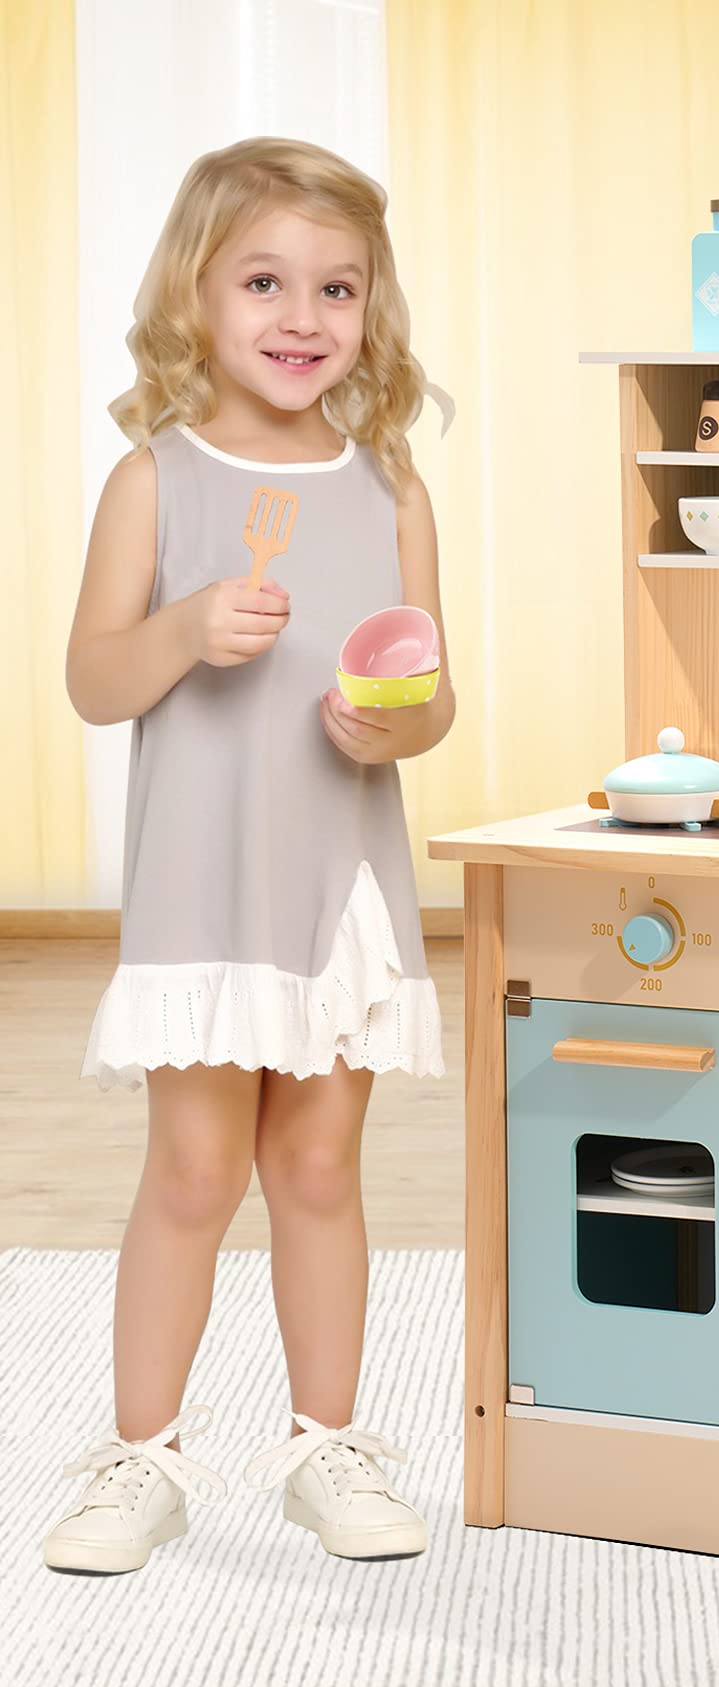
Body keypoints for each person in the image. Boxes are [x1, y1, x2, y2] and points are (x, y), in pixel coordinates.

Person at [46, 136, 453, 1573]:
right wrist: (184, 631)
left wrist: (381, 727)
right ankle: (139, 1456)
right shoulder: (155, 481)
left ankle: (324, 1447)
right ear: (196, 296)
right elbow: (96, 681)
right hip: (204, 893)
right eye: (267, 281)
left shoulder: (390, 490)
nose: (303, 316)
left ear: (371, 310)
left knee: (325, 1169)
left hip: (337, 893)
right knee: (193, 1172)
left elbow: (434, 694)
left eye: (337, 288)